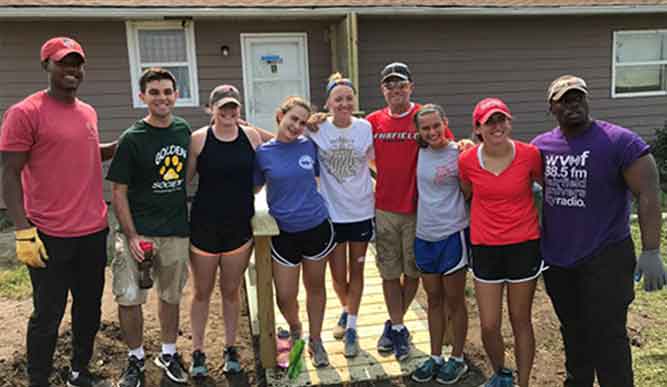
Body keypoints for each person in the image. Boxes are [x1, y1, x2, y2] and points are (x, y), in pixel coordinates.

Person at [532, 75, 666, 387]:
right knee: (573, 332)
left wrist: (651, 250)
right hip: (558, 260)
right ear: (551, 107)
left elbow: (648, 192)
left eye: (578, 97)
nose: (573, 104)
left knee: (608, 337)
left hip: (606, 256)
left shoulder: (619, 141)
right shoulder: (541, 146)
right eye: (564, 100)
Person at [0, 36, 116, 387]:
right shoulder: (25, 113)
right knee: (48, 315)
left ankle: (79, 371)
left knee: (89, 309)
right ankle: (39, 379)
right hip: (49, 234)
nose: (72, 69)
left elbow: (82, 152)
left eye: (77, 63)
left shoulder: (88, 112)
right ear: (46, 65)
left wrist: (119, 146)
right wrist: (22, 229)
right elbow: (9, 172)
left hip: (93, 231)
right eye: (64, 62)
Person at [107, 68, 191, 386]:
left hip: (175, 231)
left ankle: (168, 353)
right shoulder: (132, 139)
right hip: (138, 232)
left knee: (170, 295)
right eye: (154, 92)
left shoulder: (183, 130)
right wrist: (131, 236)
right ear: (142, 97)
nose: (162, 97)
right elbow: (118, 192)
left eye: (167, 91)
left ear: (175, 95)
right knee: (129, 297)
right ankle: (135, 359)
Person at [367, 62, 455, 361]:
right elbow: (347, 137)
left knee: (412, 272)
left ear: (410, 87)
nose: (396, 90)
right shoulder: (373, 121)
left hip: (419, 210)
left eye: (401, 84)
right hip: (384, 209)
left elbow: (448, 146)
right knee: (390, 272)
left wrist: (469, 144)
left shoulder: (423, 118)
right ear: (383, 90)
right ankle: (399, 326)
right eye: (390, 85)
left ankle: (393, 324)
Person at [458, 98, 545, 387]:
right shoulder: (467, 161)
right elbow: (467, 192)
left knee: (520, 320)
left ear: (509, 122)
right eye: (489, 122)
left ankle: (523, 383)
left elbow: (545, 187)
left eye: (501, 120)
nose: (497, 126)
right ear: (478, 128)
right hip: (485, 247)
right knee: (489, 325)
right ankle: (502, 374)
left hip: (524, 245)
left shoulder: (530, 154)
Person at [254, 96, 336, 368]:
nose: (297, 126)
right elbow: (253, 189)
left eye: (302, 122)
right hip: (284, 233)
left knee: (315, 287)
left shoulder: (309, 145)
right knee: (285, 295)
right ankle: (295, 326)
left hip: (316, 227)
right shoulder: (263, 153)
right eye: (293, 119)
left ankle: (315, 339)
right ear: (280, 116)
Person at [186, 84, 262, 376]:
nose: (228, 112)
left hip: (239, 227)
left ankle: (231, 348)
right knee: (201, 292)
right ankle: (198, 351)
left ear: (239, 110)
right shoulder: (198, 139)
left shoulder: (252, 136)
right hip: (205, 226)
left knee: (231, 291)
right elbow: (185, 179)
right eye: (222, 107)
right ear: (211, 109)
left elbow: (266, 166)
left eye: (233, 107)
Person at [307, 73, 374, 357]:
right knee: (337, 274)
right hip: (332, 213)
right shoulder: (317, 129)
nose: (344, 103)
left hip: (360, 209)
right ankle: (346, 309)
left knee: (357, 269)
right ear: (328, 103)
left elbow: (375, 161)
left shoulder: (365, 127)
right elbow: (285, 133)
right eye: (338, 99)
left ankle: (353, 327)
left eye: (349, 98)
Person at [409, 104, 470, 384]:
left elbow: (472, 189)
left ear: (445, 122)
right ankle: (435, 357)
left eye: (436, 125)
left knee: (455, 301)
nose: (432, 132)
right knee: (434, 299)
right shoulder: (417, 152)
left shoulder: (460, 153)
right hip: (425, 235)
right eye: (426, 127)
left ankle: (457, 359)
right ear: (418, 131)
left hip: (453, 234)